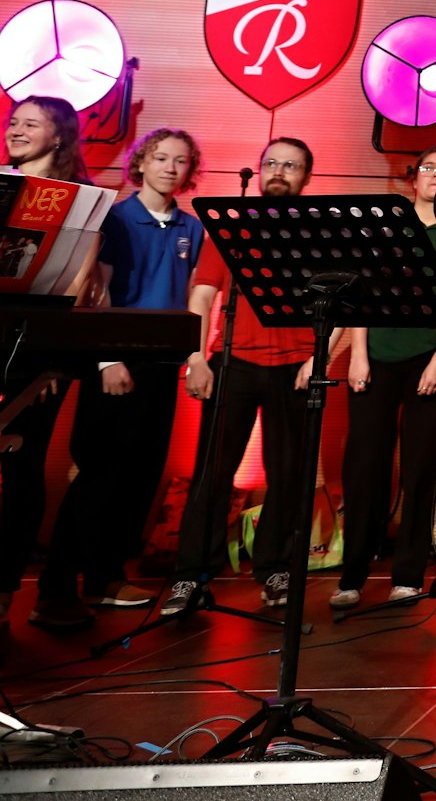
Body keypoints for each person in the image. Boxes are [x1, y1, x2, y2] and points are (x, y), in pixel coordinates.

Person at [31, 130, 205, 629]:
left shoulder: (189, 228)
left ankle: (106, 579)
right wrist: (107, 360)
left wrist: (193, 358)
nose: (171, 168)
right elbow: (94, 289)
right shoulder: (116, 217)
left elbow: (190, 295)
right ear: (141, 163)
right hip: (117, 365)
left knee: (139, 478)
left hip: (162, 367)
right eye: (161, 158)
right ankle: (56, 588)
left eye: (181, 161)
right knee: (98, 476)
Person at [160, 138, 329, 618]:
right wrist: (195, 357)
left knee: (288, 475)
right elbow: (203, 295)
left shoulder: (318, 234)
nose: (279, 171)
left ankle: (274, 566)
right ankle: (191, 574)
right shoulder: (229, 229)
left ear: (306, 177)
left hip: (295, 366)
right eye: (271, 163)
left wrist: (320, 357)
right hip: (231, 361)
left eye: (291, 165)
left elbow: (336, 306)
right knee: (211, 474)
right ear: (257, 171)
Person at [332, 148, 436, 611]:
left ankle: (406, 574)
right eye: (430, 169)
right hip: (375, 359)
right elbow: (359, 297)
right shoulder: (384, 228)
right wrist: (357, 354)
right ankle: (353, 574)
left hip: (429, 362)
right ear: (412, 178)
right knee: (364, 469)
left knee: (420, 472)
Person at [0, 96, 92, 628]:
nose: (16, 130)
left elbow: (79, 286)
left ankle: (5, 588)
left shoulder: (78, 200)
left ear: (58, 138)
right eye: (13, 122)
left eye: (30, 124)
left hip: (36, 350)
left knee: (22, 471)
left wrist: (58, 358)